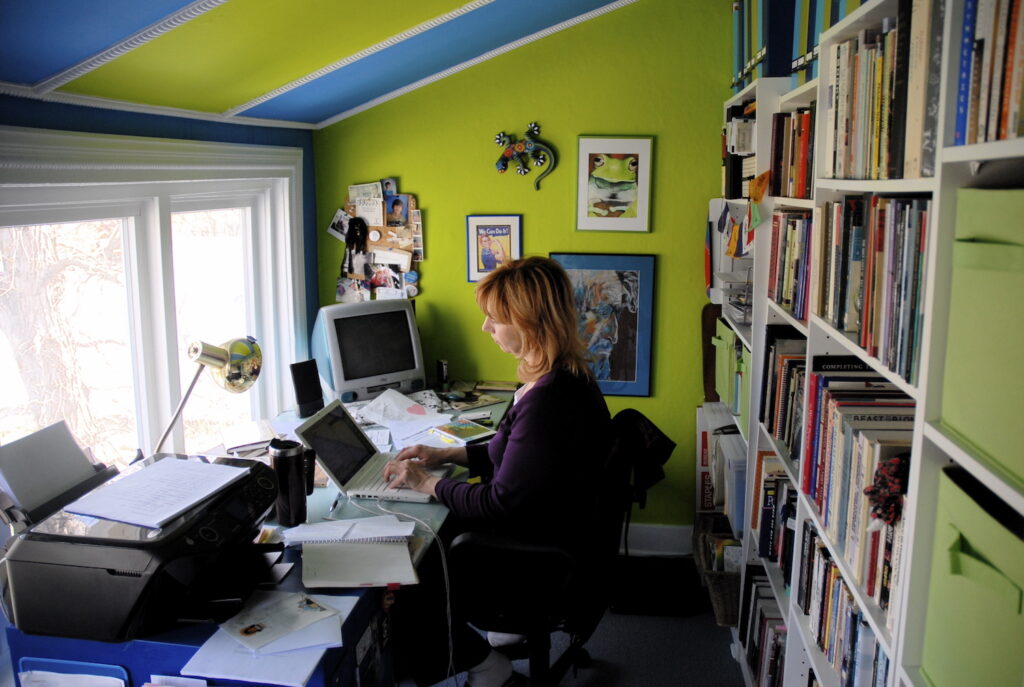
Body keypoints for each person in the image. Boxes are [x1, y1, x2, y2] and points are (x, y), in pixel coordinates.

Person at [384, 256, 613, 687]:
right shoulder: (562, 376)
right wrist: (446, 456)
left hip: (534, 551)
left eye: (494, 319)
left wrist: (427, 483)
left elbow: (501, 501)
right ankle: (498, 636)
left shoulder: (549, 402)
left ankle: (485, 664)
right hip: (558, 530)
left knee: (408, 569)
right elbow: (519, 458)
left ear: (528, 323)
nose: (486, 328)